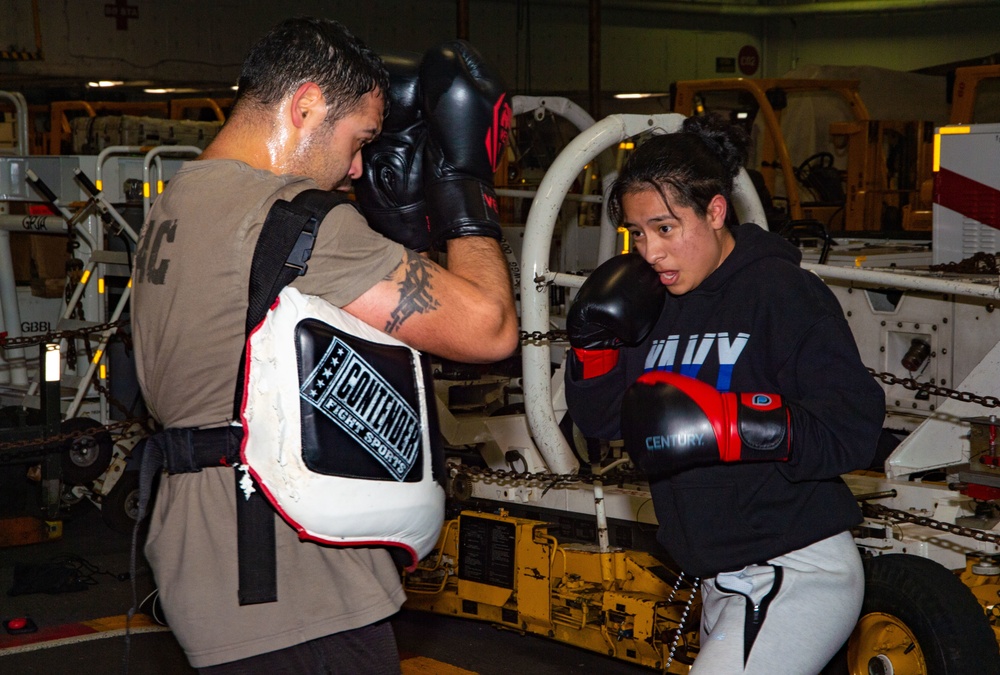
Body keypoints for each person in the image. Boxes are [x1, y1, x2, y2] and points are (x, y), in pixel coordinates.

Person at [131, 17, 517, 673]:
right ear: (305, 104)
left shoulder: (177, 202)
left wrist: (393, 228)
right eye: (358, 139)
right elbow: (488, 326)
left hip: (205, 561)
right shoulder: (294, 218)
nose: (359, 166)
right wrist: (462, 185)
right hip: (290, 584)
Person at [564, 114, 885, 674]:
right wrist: (593, 350)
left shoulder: (782, 293)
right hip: (718, 576)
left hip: (793, 567)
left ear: (715, 211)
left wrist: (737, 422)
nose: (651, 252)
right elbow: (603, 421)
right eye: (637, 233)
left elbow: (853, 429)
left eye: (666, 228)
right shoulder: (650, 299)